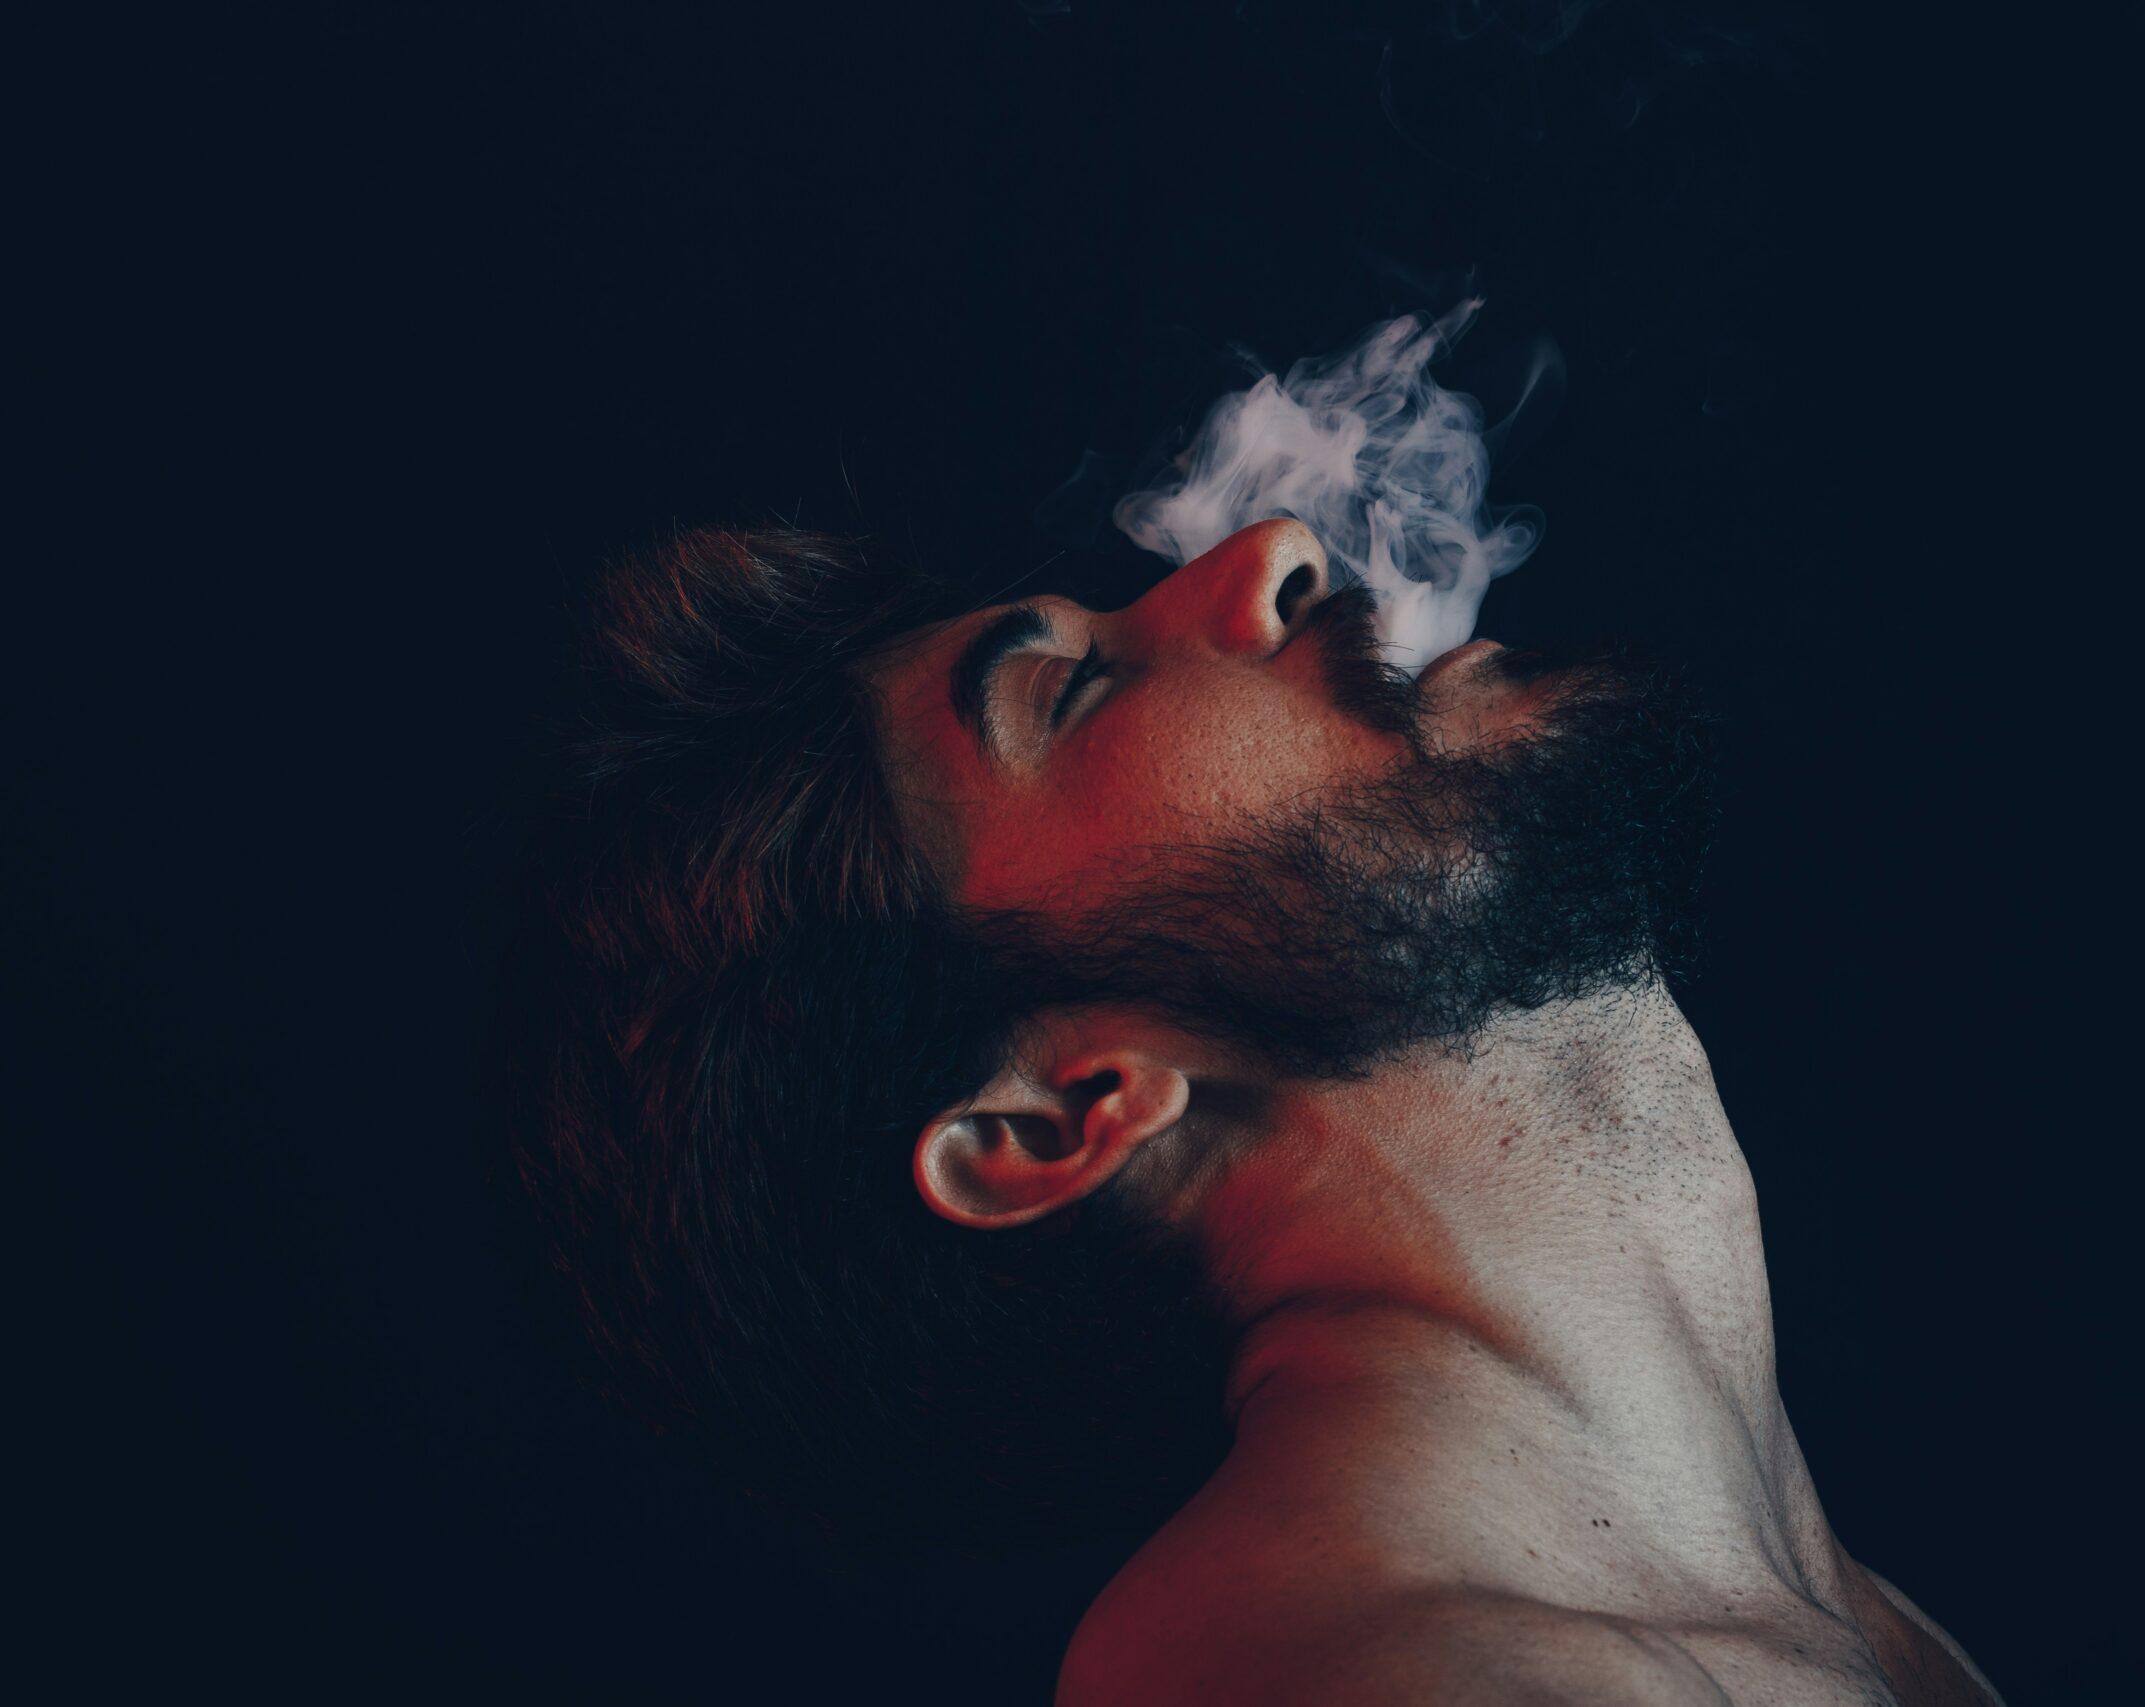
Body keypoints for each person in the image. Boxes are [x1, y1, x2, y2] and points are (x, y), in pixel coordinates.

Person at [507, 517, 2002, 1704]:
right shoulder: (1347, 1685)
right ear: (1055, 1121)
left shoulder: (1881, 1651)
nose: (1277, 548)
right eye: (1072, 690)